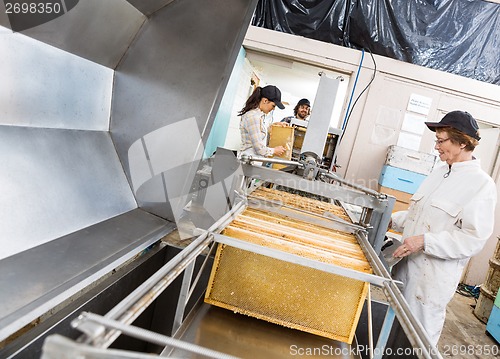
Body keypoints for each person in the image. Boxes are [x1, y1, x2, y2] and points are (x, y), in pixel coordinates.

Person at [390, 110, 497, 347]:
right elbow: (420, 214)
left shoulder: (481, 185)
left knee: (418, 342)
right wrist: (391, 217)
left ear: (461, 142)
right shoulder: (439, 173)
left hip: (430, 283)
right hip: (405, 270)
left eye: (441, 141)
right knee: (393, 330)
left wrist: (424, 241)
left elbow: (473, 239)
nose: (436, 147)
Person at [238, 85, 287, 159]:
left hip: (252, 160)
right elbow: (259, 148)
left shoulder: (258, 116)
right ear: (265, 101)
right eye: (273, 106)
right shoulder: (253, 117)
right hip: (248, 160)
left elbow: (259, 132)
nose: (273, 109)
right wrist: (274, 150)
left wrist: (274, 125)